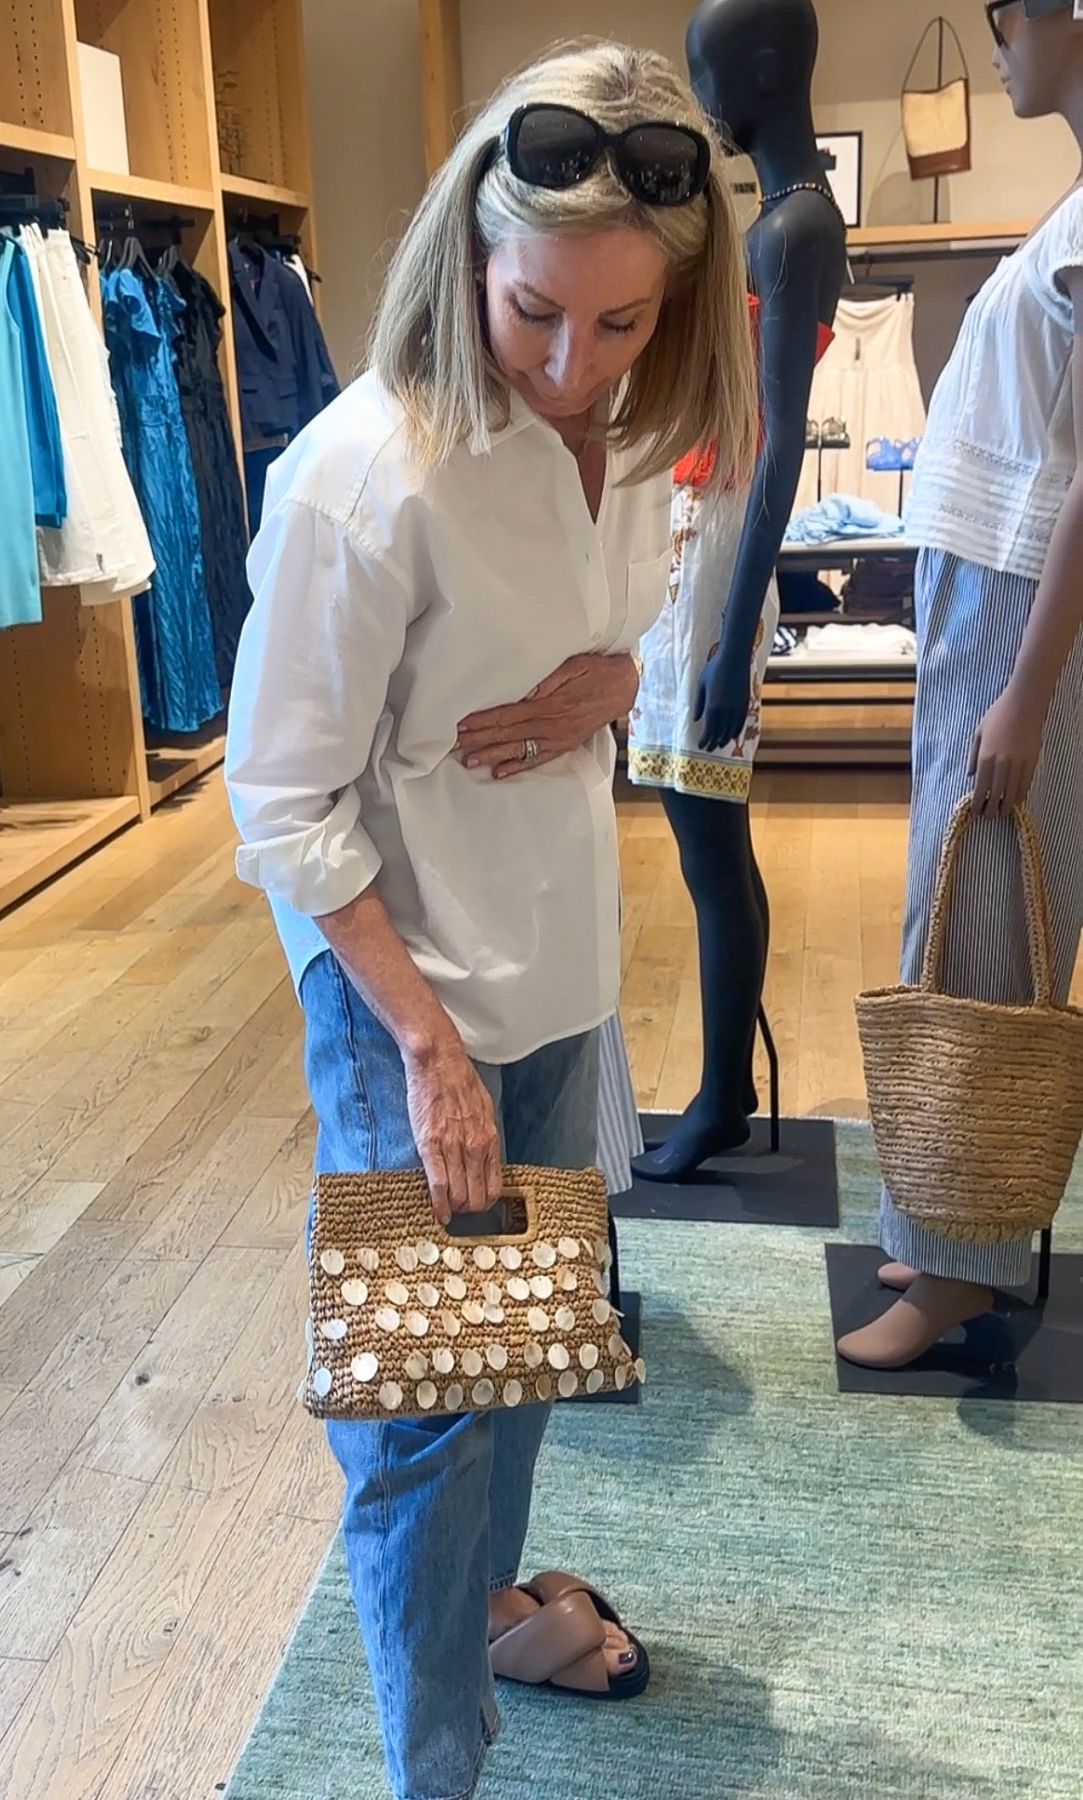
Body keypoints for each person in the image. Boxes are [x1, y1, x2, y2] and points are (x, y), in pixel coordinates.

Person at [225, 40, 756, 1800]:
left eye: (619, 327)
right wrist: (431, 1050)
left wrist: (609, 681)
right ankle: (429, 1768)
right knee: (423, 1423)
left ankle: (499, 1614)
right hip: (416, 1006)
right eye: (537, 314)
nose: (569, 367)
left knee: (522, 1355)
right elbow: (278, 798)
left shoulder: (625, 431)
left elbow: (648, 601)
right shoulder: (362, 482)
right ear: (470, 250)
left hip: (554, 971)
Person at [837, 0, 1083, 1369]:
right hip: (992, 593)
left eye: (1005, 11)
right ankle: (938, 1223)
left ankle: (961, 1269)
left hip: (1022, 607)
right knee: (956, 898)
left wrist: (1030, 690)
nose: (995, 40)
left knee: (987, 913)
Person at [628, 0, 845, 1182]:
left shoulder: (796, 230)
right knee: (698, 828)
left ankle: (722, 1092)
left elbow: (776, 453)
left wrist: (726, 637)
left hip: (721, 544)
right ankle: (723, 1082)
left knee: (710, 835)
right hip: (695, 528)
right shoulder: (774, 219)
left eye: (711, 69)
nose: (703, 94)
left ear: (764, 65)